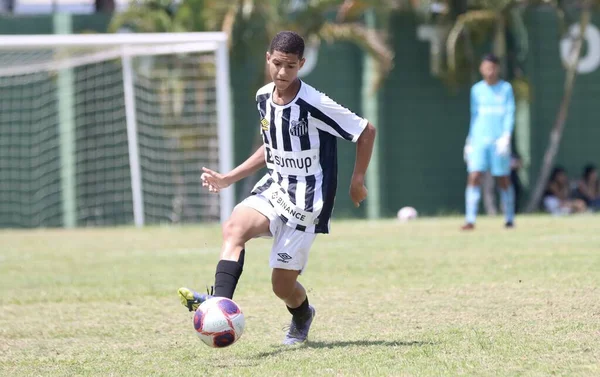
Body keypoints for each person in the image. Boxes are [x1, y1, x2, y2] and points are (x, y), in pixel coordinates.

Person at [178, 31, 376, 345]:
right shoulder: (262, 97)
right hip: (276, 187)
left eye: (291, 66)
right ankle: (218, 305)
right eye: (278, 64)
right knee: (234, 228)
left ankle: (302, 315)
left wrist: (357, 179)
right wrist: (229, 177)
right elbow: (271, 148)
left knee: (282, 287)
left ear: (302, 65)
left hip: (306, 201)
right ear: (268, 58)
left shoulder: (314, 103)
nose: (283, 72)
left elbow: (366, 130)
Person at [462, 53, 516, 230]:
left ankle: (509, 218)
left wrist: (506, 136)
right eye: (486, 68)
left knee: (502, 178)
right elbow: (474, 116)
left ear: (497, 68)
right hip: (479, 140)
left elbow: (510, 113)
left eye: (492, 68)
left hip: (499, 141)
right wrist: (470, 140)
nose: (489, 72)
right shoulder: (476, 90)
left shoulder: (506, 89)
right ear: (481, 69)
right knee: (475, 175)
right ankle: (470, 220)